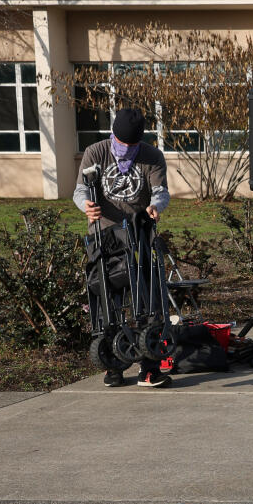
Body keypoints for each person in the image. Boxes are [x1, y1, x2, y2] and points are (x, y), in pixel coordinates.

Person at [73, 107, 172, 388]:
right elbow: (80, 190)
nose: (125, 150)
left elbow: (160, 192)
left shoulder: (152, 156)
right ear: (113, 135)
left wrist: (155, 206)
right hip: (103, 235)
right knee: (108, 297)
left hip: (138, 233)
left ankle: (149, 368)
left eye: (132, 146)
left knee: (146, 298)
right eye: (121, 143)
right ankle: (112, 367)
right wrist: (86, 206)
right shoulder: (96, 152)